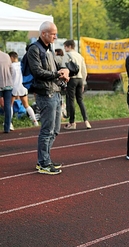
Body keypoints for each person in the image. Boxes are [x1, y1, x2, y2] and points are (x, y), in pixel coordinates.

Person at [27, 21, 70, 175]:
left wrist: (63, 71)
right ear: (43, 33)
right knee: (47, 130)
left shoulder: (49, 49)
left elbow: (56, 68)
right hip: (45, 94)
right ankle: (43, 162)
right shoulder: (34, 49)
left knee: (55, 130)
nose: (55, 36)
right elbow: (37, 72)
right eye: (53, 33)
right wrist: (57, 74)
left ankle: (45, 159)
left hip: (56, 92)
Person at [63, 40, 91, 130]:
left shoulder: (67, 55)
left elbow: (64, 69)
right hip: (80, 79)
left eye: (65, 46)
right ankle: (86, 121)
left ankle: (72, 122)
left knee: (71, 101)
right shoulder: (80, 56)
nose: (64, 48)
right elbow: (84, 71)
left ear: (69, 46)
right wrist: (83, 82)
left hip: (72, 79)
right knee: (80, 100)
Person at [8, 51, 39, 126]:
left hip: (14, 87)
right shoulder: (22, 65)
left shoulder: (11, 66)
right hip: (23, 86)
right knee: (26, 105)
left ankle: (9, 122)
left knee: (10, 105)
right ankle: (35, 121)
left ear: (12, 58)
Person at [0, 48, 13, 133]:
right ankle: (7, 127)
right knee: (7, 105)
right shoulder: (6, 56)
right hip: (8, 84)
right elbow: (11, 70)